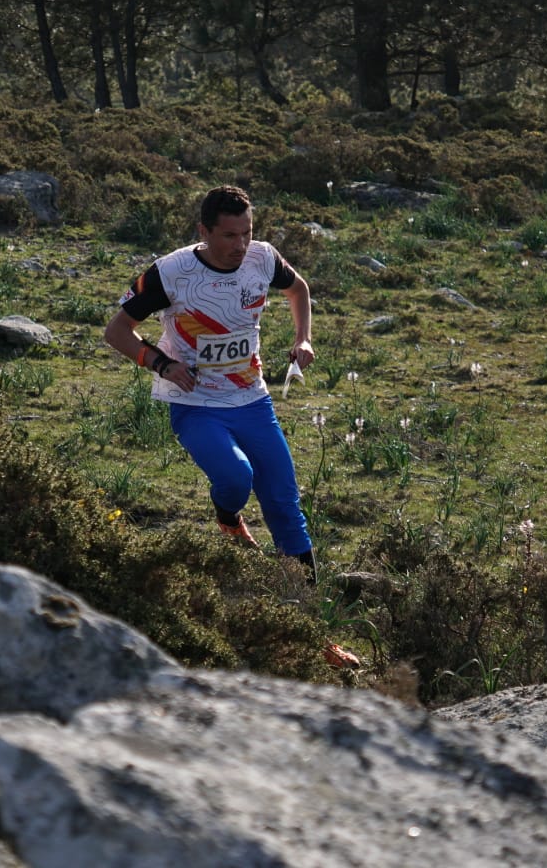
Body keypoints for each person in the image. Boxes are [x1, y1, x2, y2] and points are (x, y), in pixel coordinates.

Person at [104, 185, 359, 669]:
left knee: (286, 508)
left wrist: (304, 340)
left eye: (246, 233)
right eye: (228, 235)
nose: (240, 245)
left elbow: (298, 289)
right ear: (203, 232)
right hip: (194, 402)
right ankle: (228, 520)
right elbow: (116, 332)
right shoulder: (170, 273)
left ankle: (313, 637)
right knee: (236, 478)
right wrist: (160, 364)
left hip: (252, 399)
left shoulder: (263, 258)